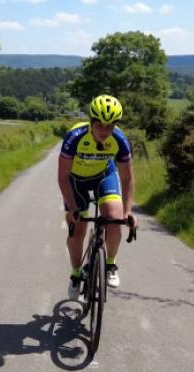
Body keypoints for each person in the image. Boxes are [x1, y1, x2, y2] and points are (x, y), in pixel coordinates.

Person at [57, 95, 138, 300]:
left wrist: (128, 211)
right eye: (100, 125)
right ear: (90, 122)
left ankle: (110, 264)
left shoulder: (119, 139)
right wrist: (73, 208)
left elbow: (127, 178)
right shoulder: (74, 137)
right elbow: (63, 177)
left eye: (110, 126)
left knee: (114, 218)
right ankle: (76, 275)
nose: (104, 131)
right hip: (76, 181)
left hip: (104, 176)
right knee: (77, 230)